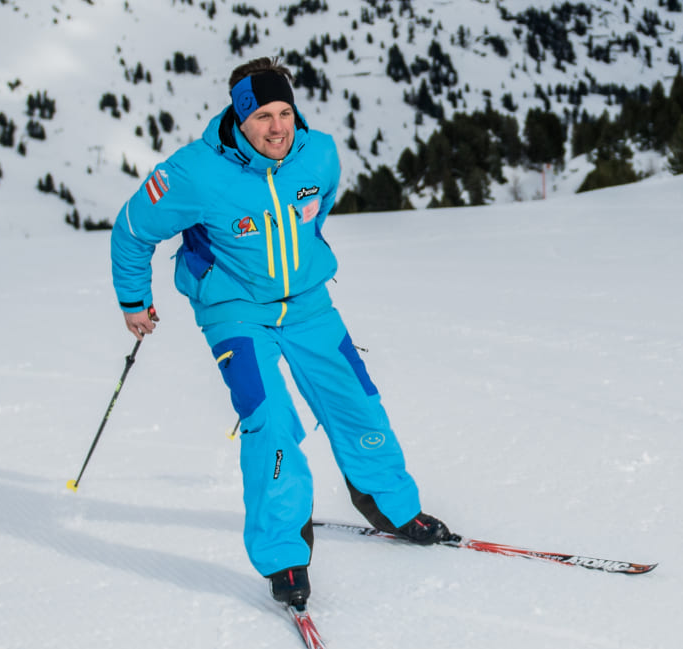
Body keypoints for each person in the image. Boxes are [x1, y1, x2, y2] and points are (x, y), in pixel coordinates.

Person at [108, 57, 451, 609]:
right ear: (239, 119)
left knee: (357, 403)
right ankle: (285, 556)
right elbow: (130, 230)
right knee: (271, 423)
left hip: (310, 305)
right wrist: (134, 300)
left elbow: (313, 214)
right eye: (263, 115)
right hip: (236, 311)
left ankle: (392, 505)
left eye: (285, 111)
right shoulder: (194, 173)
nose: (277, 127)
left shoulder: (319, 154)